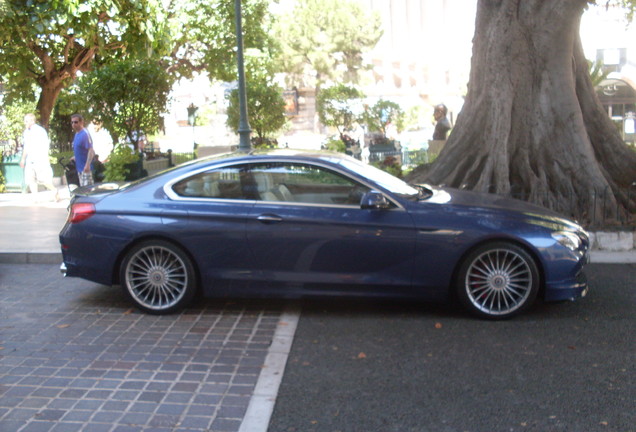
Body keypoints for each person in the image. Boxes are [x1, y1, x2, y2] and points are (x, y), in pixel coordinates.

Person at [19, 113, 58, 200]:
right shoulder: (26, 132)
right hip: (30, 160)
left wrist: (42, 158)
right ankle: (35, 198)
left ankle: (54, 190)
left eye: (26, 121)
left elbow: (45, 145)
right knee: (31, 179)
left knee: (43, 179)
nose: (25, 123)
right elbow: (26, 146)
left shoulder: (40, 131)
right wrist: (23, 159)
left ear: (32, 121)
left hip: (39, 159)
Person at [71, 114, 95, 187]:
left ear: (81, 122)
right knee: (83, 190)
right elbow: (81, 149)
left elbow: (91, 151)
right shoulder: (77, 134)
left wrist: (87, 165)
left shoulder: (85, 134)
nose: (73, 124)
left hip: (86, 169)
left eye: (76, 122)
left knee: (87, 191)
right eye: (72, 122)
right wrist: (75, 157)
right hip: (80, 169)